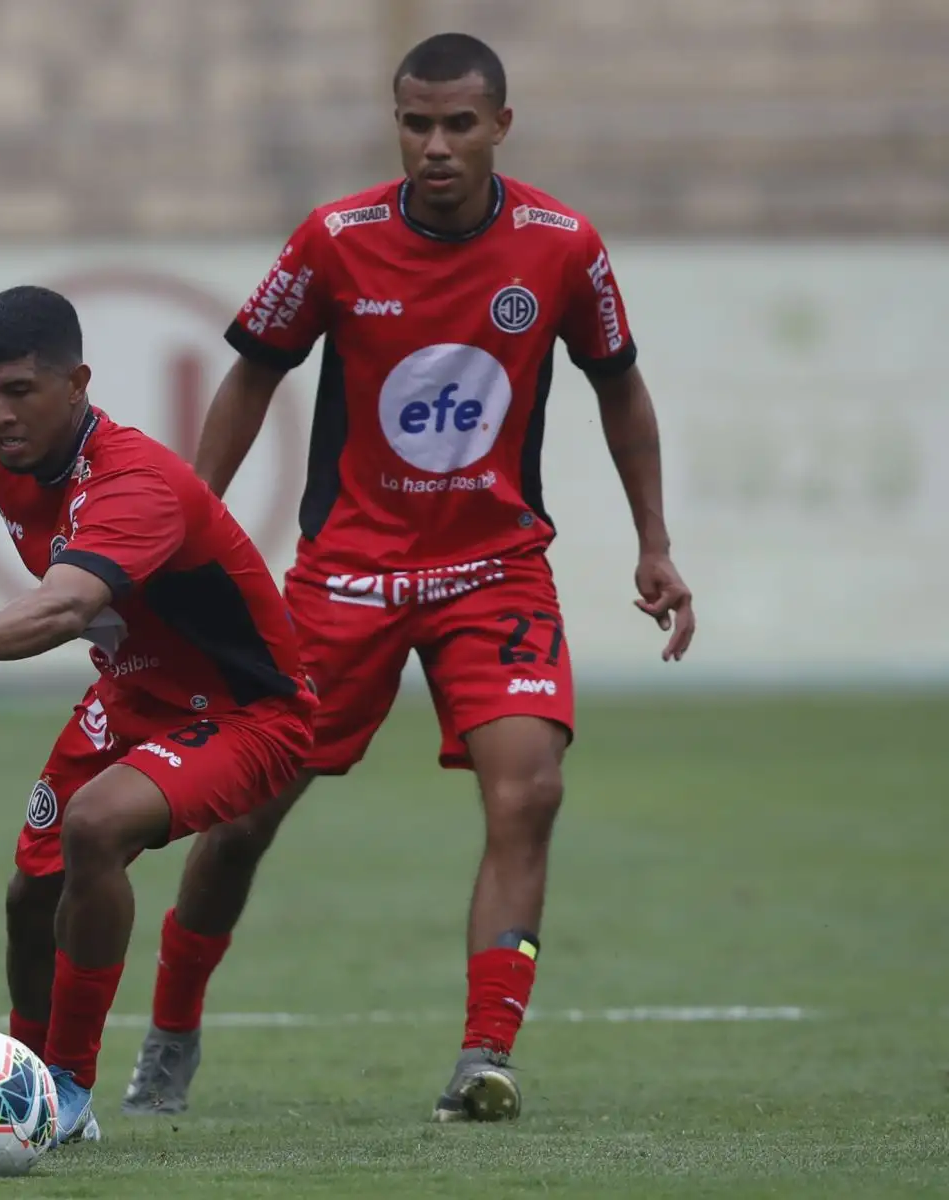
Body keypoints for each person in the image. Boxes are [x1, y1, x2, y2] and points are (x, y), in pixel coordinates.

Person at [121, 32, 698, 1124]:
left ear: (500, 127)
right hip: (347, 576)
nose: (435, 147)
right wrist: (188, 521)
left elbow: (620, 387)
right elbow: (252, 374)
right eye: (415, 124)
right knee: (240, 817)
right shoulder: (336, 241)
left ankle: (486, 1054)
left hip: (495, 569)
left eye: (458, 125)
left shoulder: (562, 246)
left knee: (530, 791)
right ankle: (172, 1033)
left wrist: (653, 542)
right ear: (398, 125)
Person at [0, 285, 315, 1147]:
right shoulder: (6, 446)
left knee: (96, 824)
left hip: (248, 714)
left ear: (77, 383)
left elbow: (63, 610)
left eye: (18, 393)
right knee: (30, 899)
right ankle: (20, 1088)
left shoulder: (134, 481)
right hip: (132, 699)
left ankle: (68, 1089)